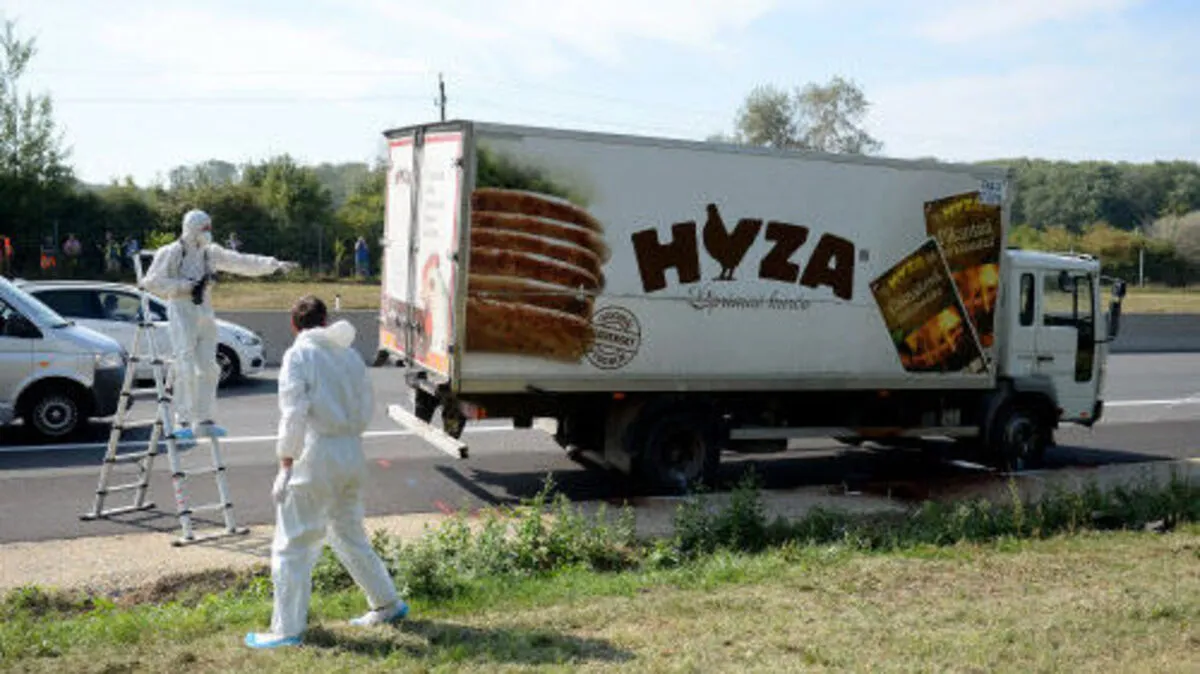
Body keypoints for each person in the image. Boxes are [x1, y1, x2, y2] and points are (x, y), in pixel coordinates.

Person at [245, 295, 408, 649]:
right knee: (348, 533)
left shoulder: (298, 355)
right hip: (352, 450)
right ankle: (387, 603)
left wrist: (286, 461)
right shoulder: (348, 354)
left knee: (293, 543)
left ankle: (286, 629)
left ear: (294, 324)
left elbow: (294, 412)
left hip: (316, 453)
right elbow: (367, 404)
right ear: (325, 320)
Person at [142, 209, 297, 439]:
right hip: (181, 308)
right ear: (192, 228)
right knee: (184, 363)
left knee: (209, 366)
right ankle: (182, 419)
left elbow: (241, 262)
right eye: (204, 228)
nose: (208, 232)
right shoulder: (172, 252)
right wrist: (185, 285)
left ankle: (203, 418)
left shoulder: (209, 253)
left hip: (204, 307)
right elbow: (151, 282)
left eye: (209, 228)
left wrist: (273, 264)